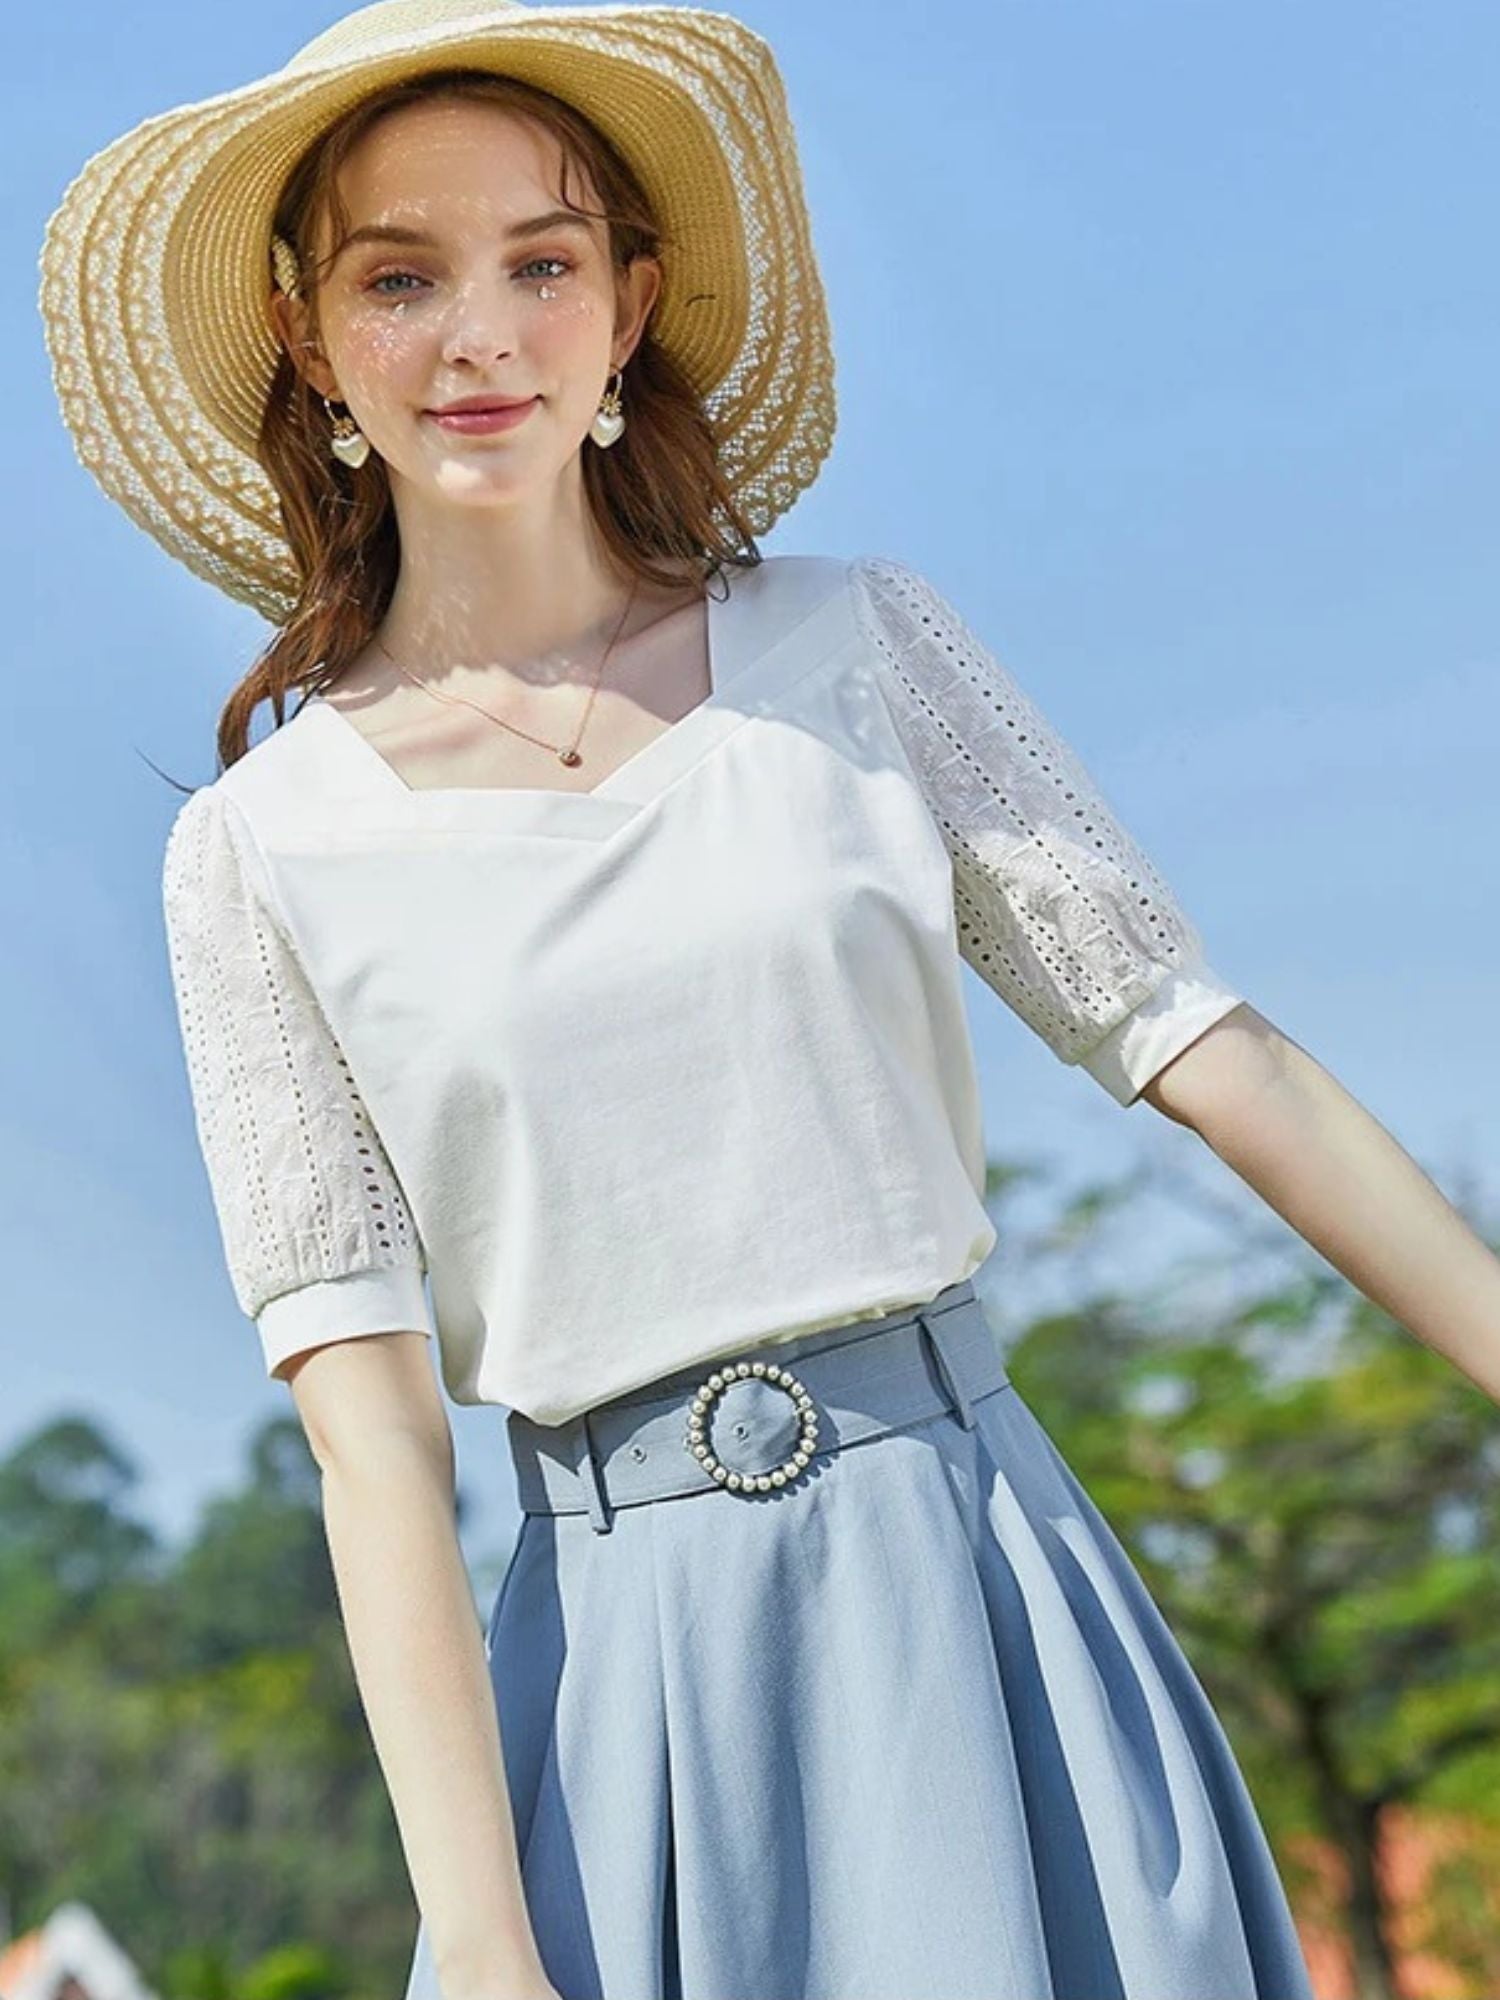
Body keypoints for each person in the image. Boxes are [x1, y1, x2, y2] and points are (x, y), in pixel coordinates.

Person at [37, 2, 1500, 1996]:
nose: (481, 335)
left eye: (543, 263)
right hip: (635, 1711)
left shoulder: (863, 653)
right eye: (404, 275)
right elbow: (374, 1441)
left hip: (991, 1610)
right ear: (315, 342)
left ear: (630, 310)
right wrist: (476, 1929)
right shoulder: (261, 850)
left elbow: (1208, 1050)